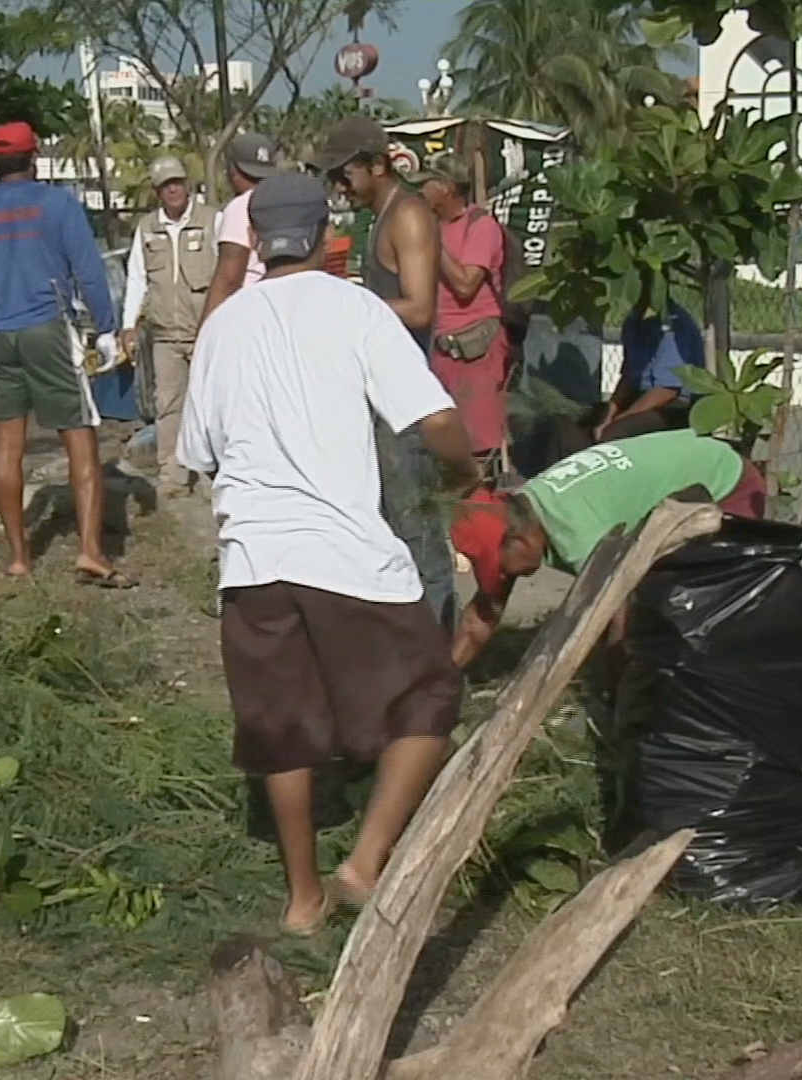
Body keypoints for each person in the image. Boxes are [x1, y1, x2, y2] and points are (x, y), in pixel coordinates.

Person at [177, 173, 478, 936]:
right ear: (324, 236)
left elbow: (201, 452)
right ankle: (366, 862)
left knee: (284, 726)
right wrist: (465, 471)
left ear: (256, 242)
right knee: (431, 694)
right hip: (347, 551)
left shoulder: (224, 325)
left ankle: (302, 899)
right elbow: (435, 417)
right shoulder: (357, 309)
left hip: (251, 557)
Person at [0, 121, 133, 587]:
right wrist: (106, 329)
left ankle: (19, 557)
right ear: (34, 157)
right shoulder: (58, 205)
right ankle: (89, 552)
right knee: (80, 435)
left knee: (7, 446)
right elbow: (88, 271)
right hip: (48, 326)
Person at [449, 430, 767, 669]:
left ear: (521, 541)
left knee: (703, 610)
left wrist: (613, 695)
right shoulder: (523, 514)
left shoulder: (579, 535)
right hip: (685, 469)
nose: (502, 576)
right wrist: (443, 683)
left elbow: (618, 616)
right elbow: (481, 616)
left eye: (500, 567)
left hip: (725, 483)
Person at [312, 116, 455, 629]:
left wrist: (348, 303)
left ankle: (439, 662)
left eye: (344, 174)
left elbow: (419, 308)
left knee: (420, 538)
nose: (339, 186)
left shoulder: (409, 216)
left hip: (406, 405)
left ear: (376, 166)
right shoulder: (379, 217)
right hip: (379, 402)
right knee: (388, 531)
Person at [121, 155, 216, 496]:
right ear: (156, 191)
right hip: (164, 334)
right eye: (165, 185)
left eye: (177, 182)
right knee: (168, 404)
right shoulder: (147, 229)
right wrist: (129, 324)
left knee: (209, 404)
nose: (173, 189)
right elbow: (137, 278)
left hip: (205, 330)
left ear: (186, 184)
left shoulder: (211, 221)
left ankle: (209, 473)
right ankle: (172, 475)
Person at [412, 152, 509, 462]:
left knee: (478, 441)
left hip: (474, 346)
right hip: (440, 346)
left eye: (426, 184)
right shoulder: (432, 225)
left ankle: (480, 503)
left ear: (446, 187)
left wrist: (434, 244)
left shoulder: (481, 227)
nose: (420, 191)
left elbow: (466, 284)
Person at [594, 292, 709, 442]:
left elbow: (667, 391)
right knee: (585, 421)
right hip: (642, 397)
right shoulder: (633, 321)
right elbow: (628, 379)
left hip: (675, 406)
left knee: (615, 433)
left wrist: (617, 421)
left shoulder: (673, 324)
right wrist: (607, 415)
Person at [199, 131, 281, 322]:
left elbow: (229, 279)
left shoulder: (241, 207)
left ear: (233, 169)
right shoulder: (286, 201)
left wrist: (205, 334)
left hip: (249, 312)